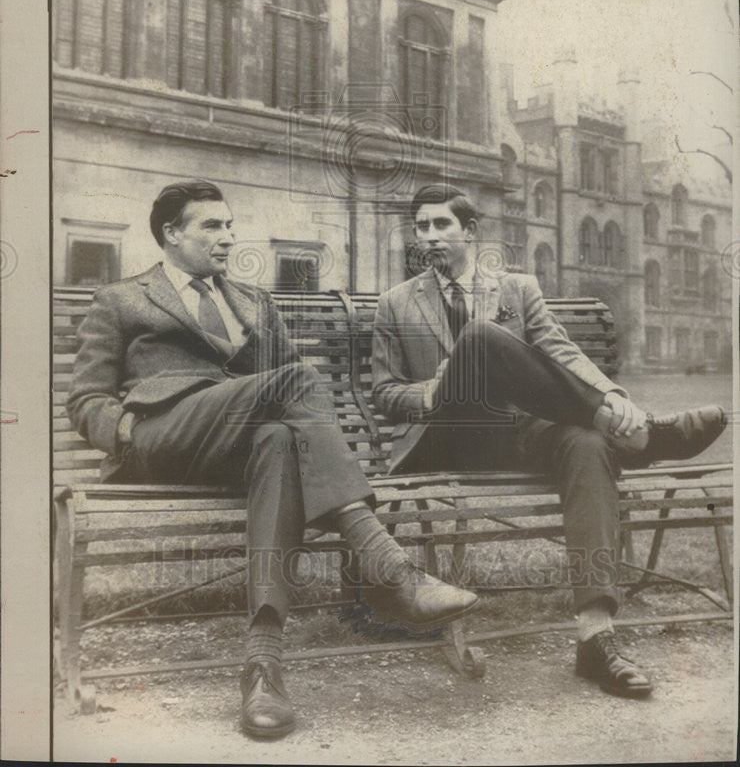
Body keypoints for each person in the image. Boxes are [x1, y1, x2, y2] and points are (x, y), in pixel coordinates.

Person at [67, 179, 477, 740]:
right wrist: (125, 431)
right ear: (171, 233)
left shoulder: (252, 301)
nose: (228, 238)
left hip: (240, 446)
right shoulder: (123, 299)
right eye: (212, 226)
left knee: (281, 442)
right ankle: (388, 566)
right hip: (163, 436)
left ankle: (264, 666)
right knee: (297, 379)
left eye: (231, 226)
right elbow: (86, 398)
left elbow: (291, 395)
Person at [372, 182, 727, 699]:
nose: (428, 236)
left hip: (523, 432)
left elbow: (561, 350)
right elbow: (383, 391)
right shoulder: (396, 302)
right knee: (479, 338)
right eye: (421, 227)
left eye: (440, 225)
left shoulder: (517, 288)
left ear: (470, 232)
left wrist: (610, 392)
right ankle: (643, 438)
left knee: (587, 446)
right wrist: (432, 391)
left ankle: (595, 636)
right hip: (451, 437)